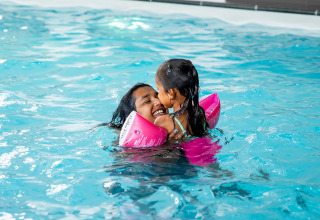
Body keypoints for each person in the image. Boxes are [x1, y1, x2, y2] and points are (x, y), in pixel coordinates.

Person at [107, 83, 183, 140]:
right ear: (132, 118)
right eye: (147, 101)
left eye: (158, 96)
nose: (158, 102)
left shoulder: (180, 125)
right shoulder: (127, 147)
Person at [154, 59, 208, 137]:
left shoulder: (162, 121)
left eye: (159, 90)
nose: (158, 96)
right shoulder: (200, 112)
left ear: (171, 93)